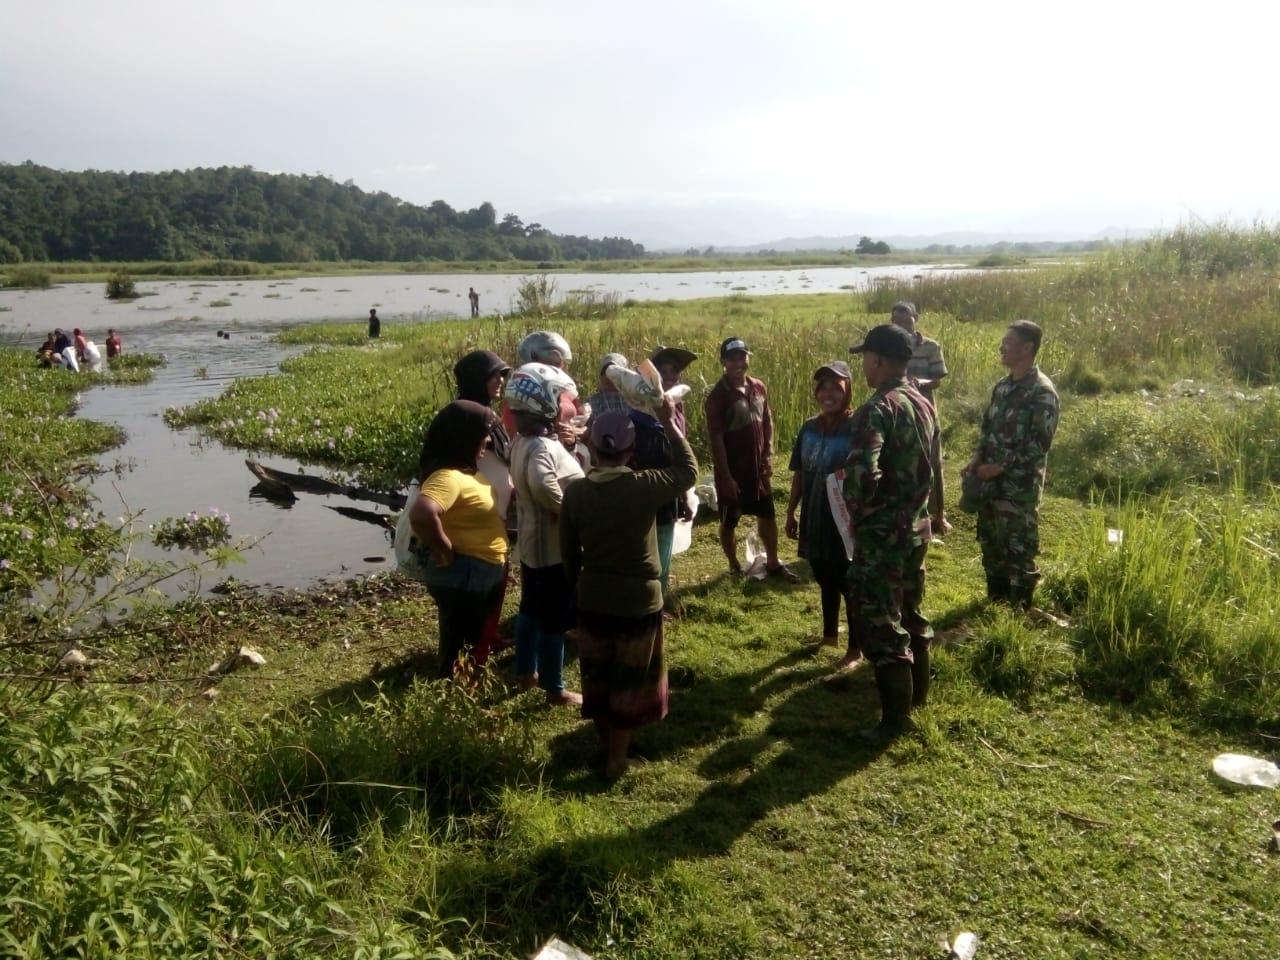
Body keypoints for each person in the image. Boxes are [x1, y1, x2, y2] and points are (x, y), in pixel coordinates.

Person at [561, 401, 698, 779]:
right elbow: (688, 471)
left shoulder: (575, 494)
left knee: (598, 677)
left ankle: (608, 747)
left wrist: (579, 587)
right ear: (630, 451)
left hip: (593, 597)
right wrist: (670, 424)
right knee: (629, 681)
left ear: (593, 447)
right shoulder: (644, 485)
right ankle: (617, 760)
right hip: (638, 601)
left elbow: (569, 554)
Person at [844, 324, 938, 742]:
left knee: (883, 623)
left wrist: (858, 508)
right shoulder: (922, 400)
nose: (863, 363)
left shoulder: (878, 408)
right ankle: (918, 702)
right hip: (917, 526)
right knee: (912, 610)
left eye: (865, 356)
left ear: (878, 360)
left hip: (885, 533)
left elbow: (863, 471)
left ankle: (893, 723)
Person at [962, 320, 1060, 609]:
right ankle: (996, 605)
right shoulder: (1002, 387)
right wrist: (977, 459)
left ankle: (1019, 613)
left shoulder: (1042, 392)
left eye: (1009, 342)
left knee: (1017, 549)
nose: (1001, 347)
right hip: (989, 485)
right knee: (991, 545)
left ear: (1028, 348)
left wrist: (1001, 466)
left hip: (1019, 488)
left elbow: (1039, 444)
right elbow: (987, 429)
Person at [408, 401, 509, 679]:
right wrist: (444, 548)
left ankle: (461, 692)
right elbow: (422, 513)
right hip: (463, 574)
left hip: (475, 572)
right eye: (483, 435)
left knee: (467, 639)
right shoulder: (447, 477)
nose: (488, 441)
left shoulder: (464, 470)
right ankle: (454, 699)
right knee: (461, 644)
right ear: (463, 437)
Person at [506, 362, 585, 706]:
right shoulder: (540, 447)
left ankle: (526, 673)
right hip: (553, 550)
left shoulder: (522, 441)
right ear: (545, 402)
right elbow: (542, 483)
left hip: (531, 547)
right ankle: (555, 689)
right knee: (554, 620)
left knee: (530, 609)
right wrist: (567, 513)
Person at [704, 337, 797, 580]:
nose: (738, 363)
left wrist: (769, 454)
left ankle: (774, 562)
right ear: (723, 361)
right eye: (732, 358)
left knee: (767, 515)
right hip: (733, 471)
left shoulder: (758, 387)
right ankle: (734, 564)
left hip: (758, 470)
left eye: (742, 357)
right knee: (729, 522)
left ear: (748, 358)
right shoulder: (717, 397)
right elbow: (716, 440)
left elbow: (768, 422)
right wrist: (725, 477)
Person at [785, 361, 860, 660]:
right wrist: (791, 511)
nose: (829, 394)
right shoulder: (808, 428)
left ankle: (856, 649)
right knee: (823, 575)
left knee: (847, 582)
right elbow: (800, 473)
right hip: (814, 515)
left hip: (844, 519)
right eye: (824, 387)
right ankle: (829, 636)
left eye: (836, 387)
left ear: (848, 391)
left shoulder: (857, 427)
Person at [453, 350, 514, 664]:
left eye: (502, 376)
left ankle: (485, 637)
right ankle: (477, 651)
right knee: (488, 582)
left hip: (489, 512)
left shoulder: (476, 412)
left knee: (491, 580)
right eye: (495, 376)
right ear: (478, 379)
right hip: (481, 517)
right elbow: (506, 453)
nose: (500, 382)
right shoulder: (474, 416)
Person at [890, 301, 952, 536]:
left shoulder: (931, 347)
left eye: (907, 321)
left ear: (916, 318)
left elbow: (937, 379)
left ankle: (939, 515)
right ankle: (913, 512)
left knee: (933, 461)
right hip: (900, 412)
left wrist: (917, 383)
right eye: (897, 322)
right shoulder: (892, 348)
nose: (903, 326)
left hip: (926, 411)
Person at [585, 353, 630, 427]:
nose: (609, 376)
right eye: (606, 371)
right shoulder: (592, 402)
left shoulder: (633, 402)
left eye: (614, 372)